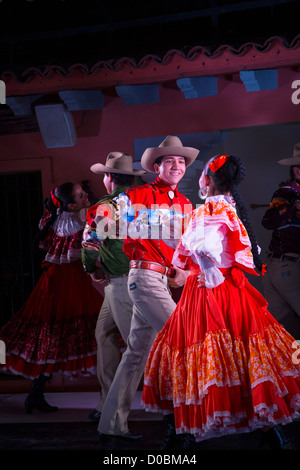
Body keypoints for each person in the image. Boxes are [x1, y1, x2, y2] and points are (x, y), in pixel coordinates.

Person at [142, 154, 300, 450]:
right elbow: (241, 247)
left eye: (202, 172)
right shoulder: (229, 206)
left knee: (204, 357)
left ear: (208, 180)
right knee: (244, 360)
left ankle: (184, 435)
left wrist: (209, 272)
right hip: (230, 292)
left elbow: (203, 247)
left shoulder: (212, 208)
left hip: (211, 294)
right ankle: (271, 433)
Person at [97, 135, 199, 440]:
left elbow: (186, 246)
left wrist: (185, 270)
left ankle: (111, 425)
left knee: (136, 353)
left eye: (181, 161)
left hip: (162, 281)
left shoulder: (185, 203)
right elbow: (107, 227)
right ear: (156, 166)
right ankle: (181, 422)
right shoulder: (137, 195)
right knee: (183, 341)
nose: (177, 166)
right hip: (143, 278)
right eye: (170, 161)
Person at [0, 182, 103, 413]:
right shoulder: (77, 221)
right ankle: (38, 395)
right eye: (80, 195)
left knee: (54, 339)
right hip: (63, 287)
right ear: (71, 204)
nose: (85, 195)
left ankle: (36, 395)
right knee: (53, 338)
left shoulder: (63, 219)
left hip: (63, 284)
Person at [81, 151, 146, 422]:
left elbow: (90, 244)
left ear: (108, 178)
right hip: (126, 280)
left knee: (136, 349)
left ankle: (116, 414)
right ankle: (107, 402)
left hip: (121, 281)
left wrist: (90, 266)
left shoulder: (104, 207)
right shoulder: (140, 202)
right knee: (104, 336)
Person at [261, 143, 300, 338]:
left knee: (284, 329)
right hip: (289, 267)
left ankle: (289, 367)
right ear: (295, 169)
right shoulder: (288, 192)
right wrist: (293, 207)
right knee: (282, 328)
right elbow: (268, 221)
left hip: (282, 265)